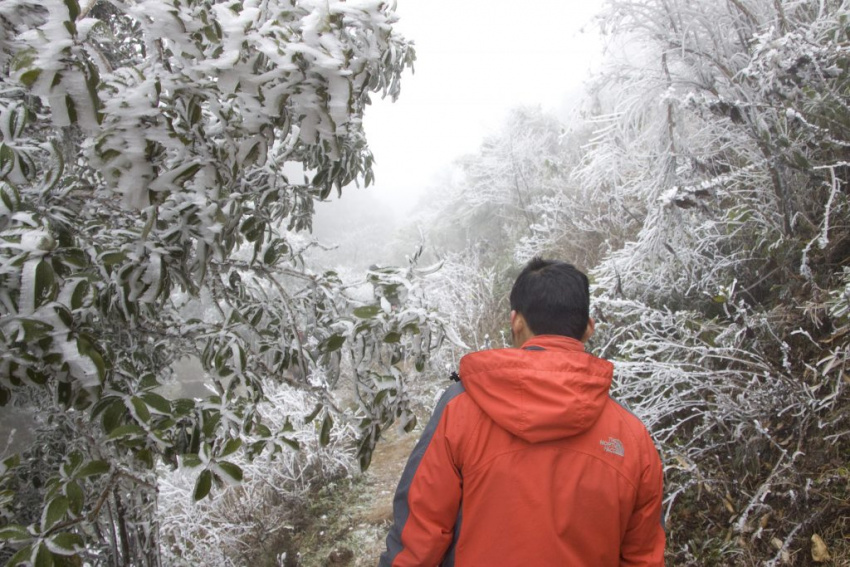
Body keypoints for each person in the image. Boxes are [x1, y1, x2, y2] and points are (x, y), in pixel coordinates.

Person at [379, 258, 665, 566]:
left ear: (516, 321)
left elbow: (417, 539)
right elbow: (644, 557)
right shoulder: (631, 436)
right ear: (588, 328)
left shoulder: (459, 410)